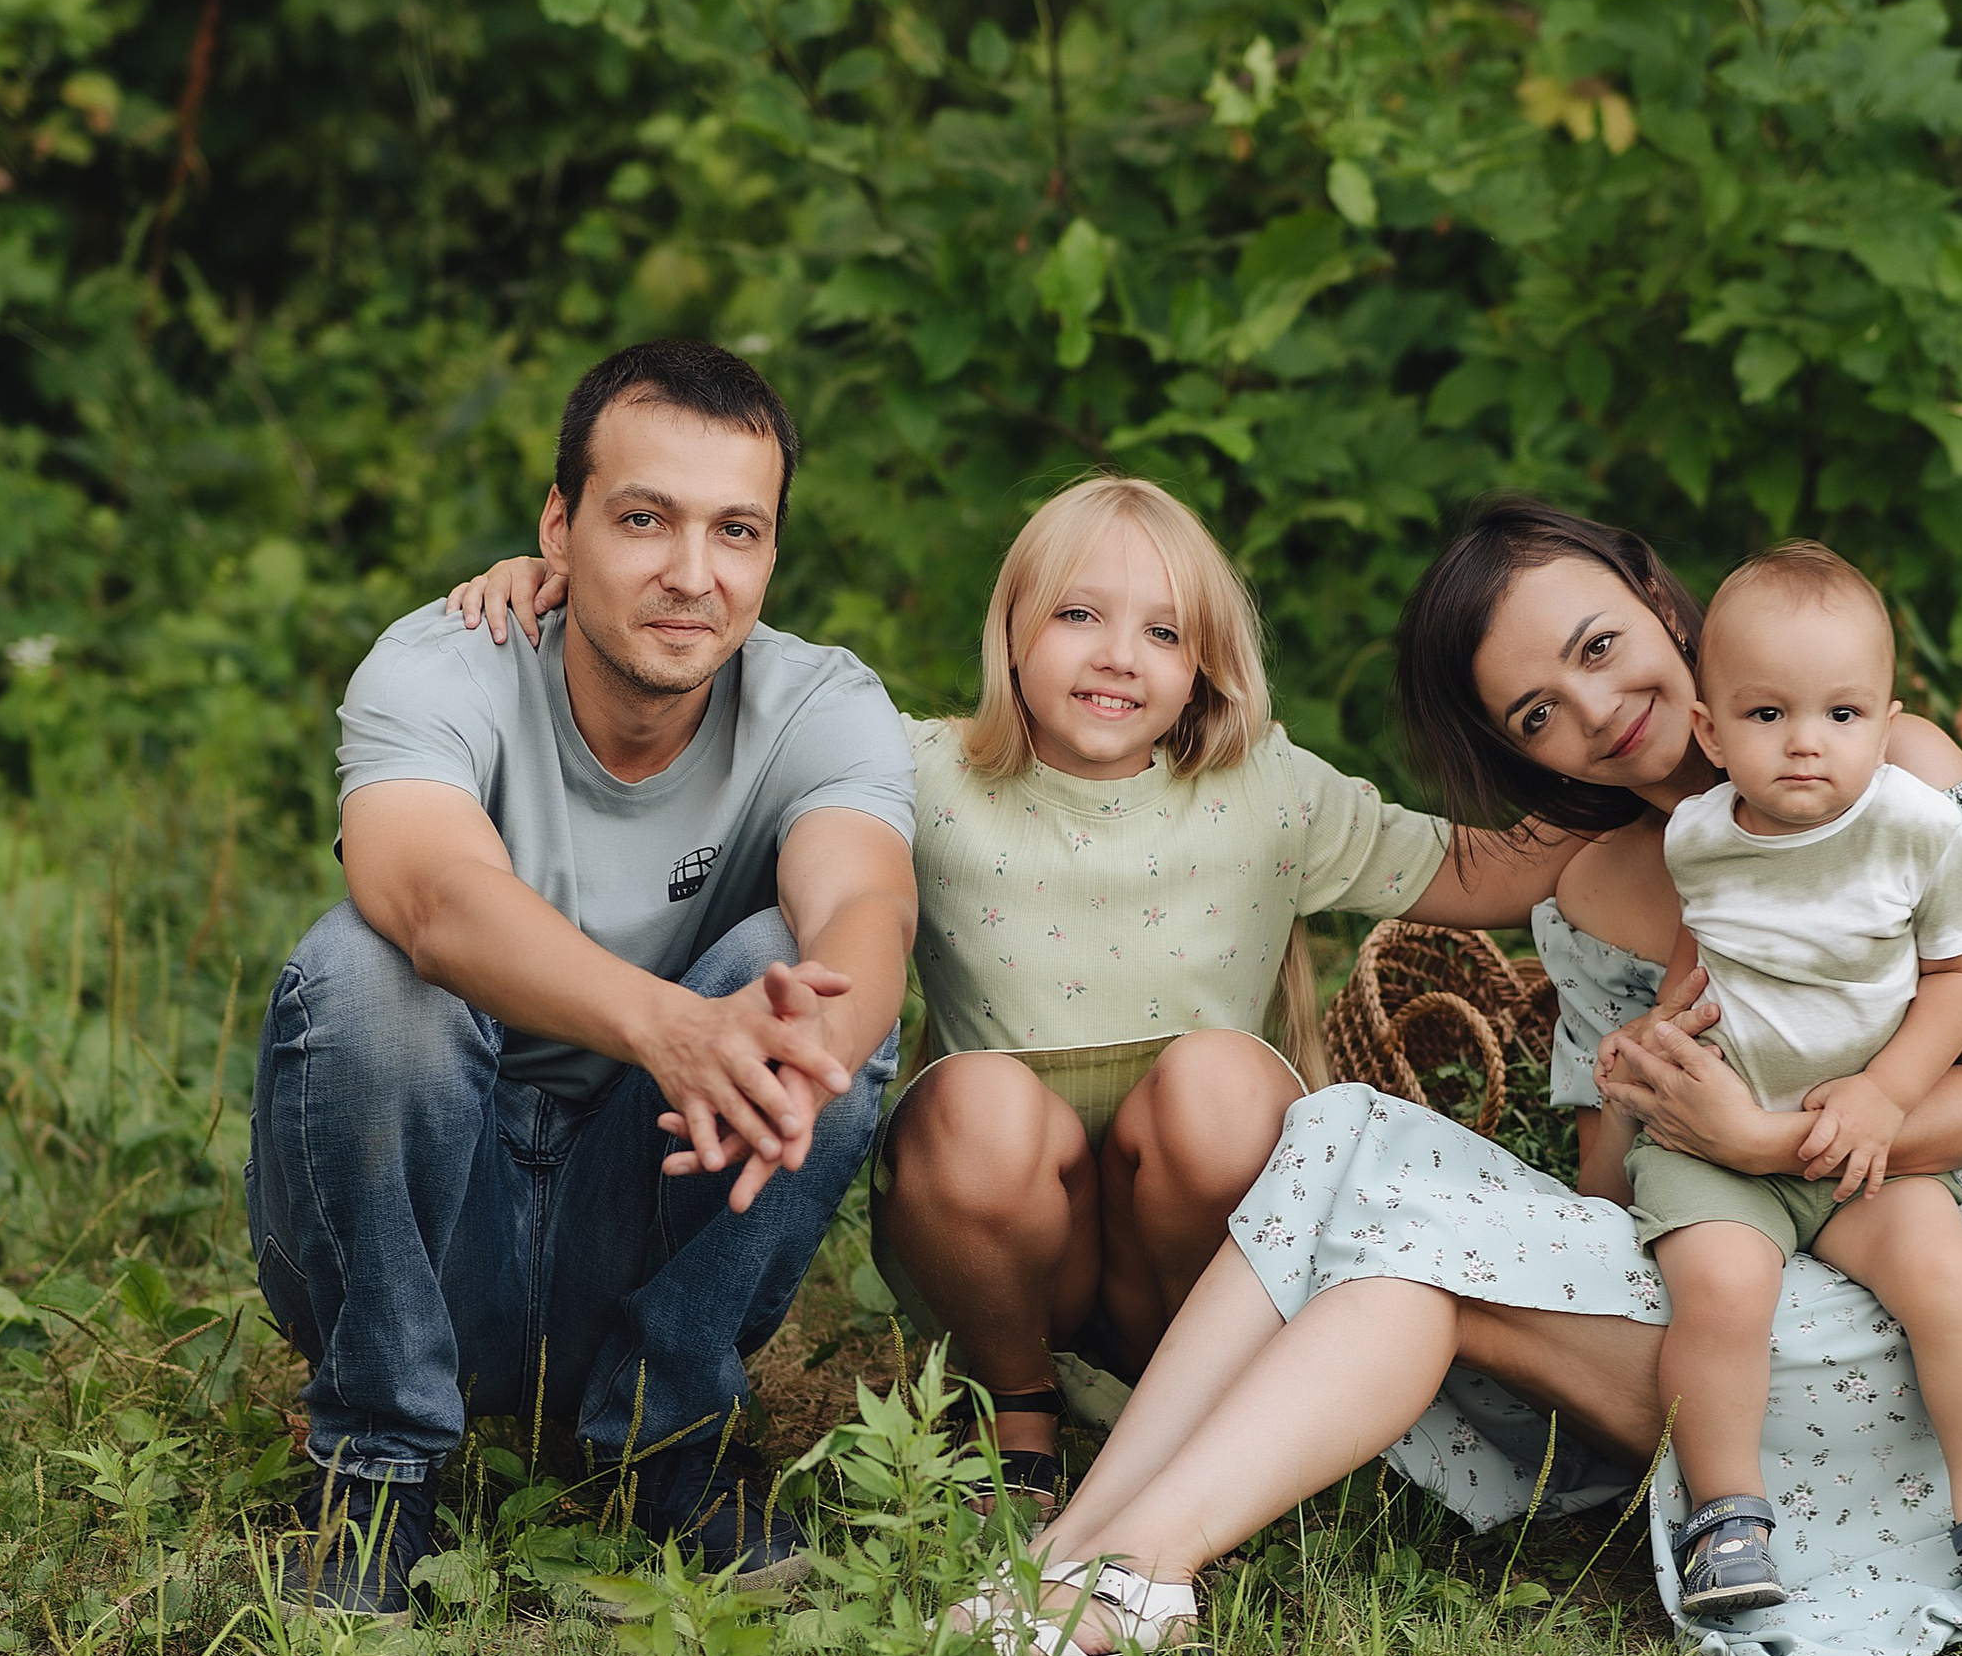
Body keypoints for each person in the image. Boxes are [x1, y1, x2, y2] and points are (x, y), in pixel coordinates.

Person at [950, 496, 1962, 1656]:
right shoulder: (1596, 891)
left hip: (1927, 1319)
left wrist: (1755, 1137)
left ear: (1656, 599)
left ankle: (1139, 1569)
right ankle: (1075, 1555)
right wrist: (1643, 1086)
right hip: (1714, 1292)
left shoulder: (1897, 783)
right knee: (1343, 1127)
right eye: (1537, 712)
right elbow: (1605, 1206)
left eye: (1597, 646)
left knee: (1425, 1246)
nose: (1594, 712)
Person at [453, 472, 1545, 1512]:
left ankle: (1192, 1393)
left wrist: (1664, 810)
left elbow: (1479, 867)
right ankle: (1019, 1410)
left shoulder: (1263, 784)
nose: (1119, 657)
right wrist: (570, 604)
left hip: (1204, 1236)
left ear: (1206, 663)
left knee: (1218, 1079)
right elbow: (731, 710)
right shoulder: (921, 772)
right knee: (973, 1098)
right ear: (1013, 629)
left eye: (1164, 632)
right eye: (1079, 614)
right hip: (1013, 1237)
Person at [245, 337, 917, 1612]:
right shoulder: (439, 663)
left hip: (647, 1199)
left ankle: (665, 1445)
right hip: (442, 1216)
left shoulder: (821, 701)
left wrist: (806, 1035)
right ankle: (379, 1468)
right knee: (366, 969)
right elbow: (429, 894)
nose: (691, 574)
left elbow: (868, 905)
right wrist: (672, 1027)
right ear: (559, 525)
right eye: (643, 519)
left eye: (737, 531)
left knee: (805, 982)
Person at [1619, 542, 1962, 1647]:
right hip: (1717, 1139)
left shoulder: (1913, 829)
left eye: (1840, 713)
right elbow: (1700, 967)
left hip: (1864, 1141)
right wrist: (1649, 1043)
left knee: (1943, 1279)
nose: (1805, 743)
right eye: (1767, 714)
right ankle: (1728, 1518)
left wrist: (1883, 1093)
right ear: (1710, 731)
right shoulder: (1698, 836)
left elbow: (1957, 977)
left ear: (1886, 720)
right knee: (1721, 1289)